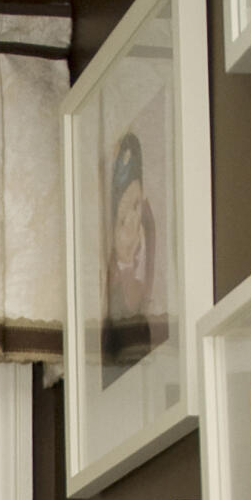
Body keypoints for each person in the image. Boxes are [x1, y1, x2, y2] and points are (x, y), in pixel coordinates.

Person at [102, 131, 157, 372]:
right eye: (124, 219)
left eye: (136, 207)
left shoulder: (142, 255)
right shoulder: (118, 276)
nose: (134, 221)